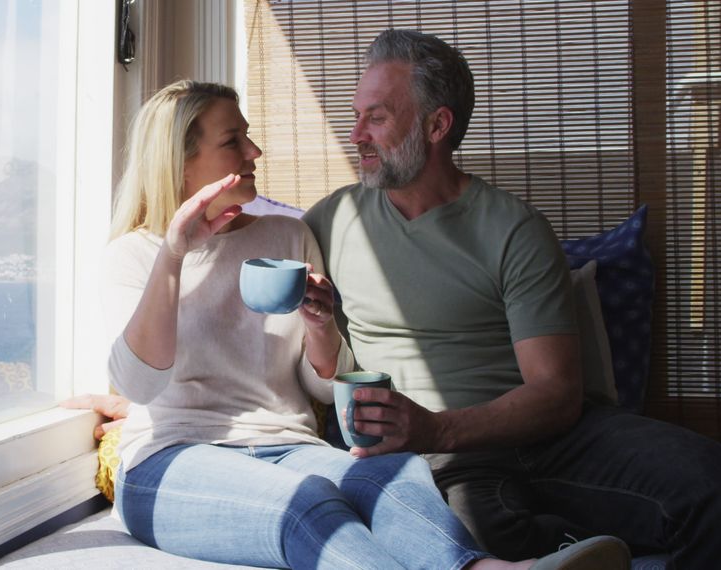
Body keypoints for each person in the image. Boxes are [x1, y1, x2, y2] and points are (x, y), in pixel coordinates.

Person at [97, 78, 628, 570]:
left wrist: (321, 323)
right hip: (172, 460)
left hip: (289, 447)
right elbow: (140, 383)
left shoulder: (287, 237)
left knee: (394, 473)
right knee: (308, 504)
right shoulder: (136, 255)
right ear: (181, 160)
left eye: (250, 137)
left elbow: (322, 389)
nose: (254, 152)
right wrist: (175, 253)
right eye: (234, 141)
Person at [301, 28, 721, 567]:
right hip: (432, 460)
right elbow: (305, 345)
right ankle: (563, 543)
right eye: (356, 114)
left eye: (376, 118)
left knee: (710, 484)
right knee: (465, 537)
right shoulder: (330, 223)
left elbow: (555, 393)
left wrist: (438, 425)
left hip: (543, 436)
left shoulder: (512, 228)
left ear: (437, 125)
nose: (356, 133)